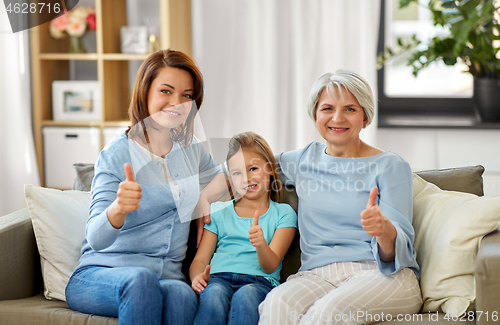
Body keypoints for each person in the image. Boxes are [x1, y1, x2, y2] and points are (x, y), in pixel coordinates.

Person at [65, 49, 227, 325]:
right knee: (141, 280)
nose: (177, 102)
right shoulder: (116, 154)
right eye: (166, 91)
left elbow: (227, 176)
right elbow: (95, 238)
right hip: (102, 276)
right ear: (145, 92)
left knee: (181, 293)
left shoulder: (190, 150)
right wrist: (118, 209)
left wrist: (204, 198)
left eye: (187, 95)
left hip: (165, 278)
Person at [258, 70, 422, 325]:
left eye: (350, 109)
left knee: (327, 313)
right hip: (316, 275)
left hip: (382, 274)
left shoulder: (390, 165)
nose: (337, 118)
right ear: (315, 115)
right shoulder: (302, 160)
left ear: (365, 117)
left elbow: (395, 254)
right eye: (327, 108)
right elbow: (244, 168)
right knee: (276, 304)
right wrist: (202, 200)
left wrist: (383, 230)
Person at [190, 132, 298, 325]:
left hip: (260, 282)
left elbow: (270, 265)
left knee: (246, 296)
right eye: (237, 173)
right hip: (217, 278)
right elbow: (200, 260)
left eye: (253, 168)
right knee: (213, 294)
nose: (246, 178)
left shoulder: (284, 214)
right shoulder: (219, 211)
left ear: (271, 169)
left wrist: (260, 244)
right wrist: (197, 277)